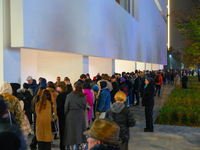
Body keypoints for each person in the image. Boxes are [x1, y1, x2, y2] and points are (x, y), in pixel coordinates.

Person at [63, 82, 87, 149]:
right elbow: (84, 106)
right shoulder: (83, 96)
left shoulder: (70, 96)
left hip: (71, 114)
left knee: (71, 131)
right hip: (80, 114)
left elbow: (66, 107)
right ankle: (80, 144)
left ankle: (71, 146)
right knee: (80, 130)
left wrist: (66, 114)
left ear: (75, 88)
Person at [56, 81, 71, 150]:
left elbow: (59, 108)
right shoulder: (69, 95)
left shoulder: (59, 96)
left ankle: (62, 147)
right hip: (69, 115)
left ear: (60, 87)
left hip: (62, 116)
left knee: (62, 132)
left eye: (58, 87)